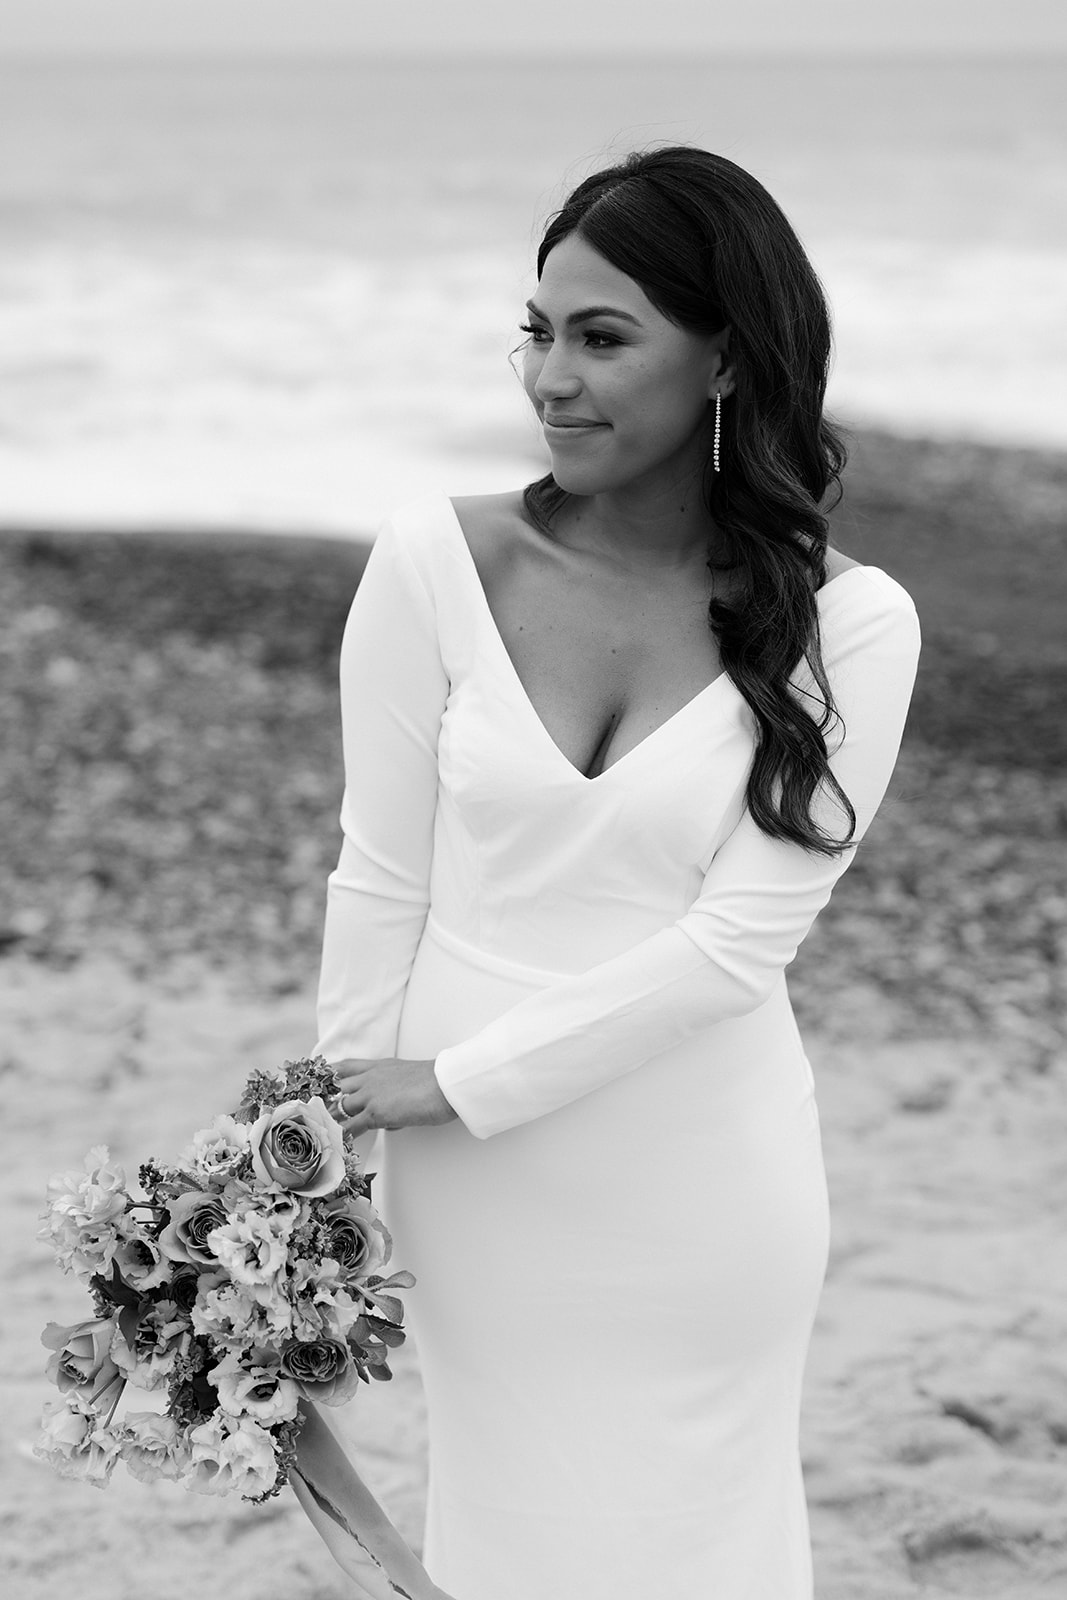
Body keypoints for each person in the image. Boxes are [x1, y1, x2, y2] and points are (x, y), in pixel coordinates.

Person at [313, 146, 921, 1600]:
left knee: (697, 1540)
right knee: (506, 1527)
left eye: (603, 337)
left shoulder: (852, 624)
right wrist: (324, 1135)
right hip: (472, 1196)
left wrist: (443, 1083)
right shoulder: (433, 564)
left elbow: (732, 950)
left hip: (698, 1185)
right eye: (539, 331)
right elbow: (378, 876)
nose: (551, 378)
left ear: (723, 359)